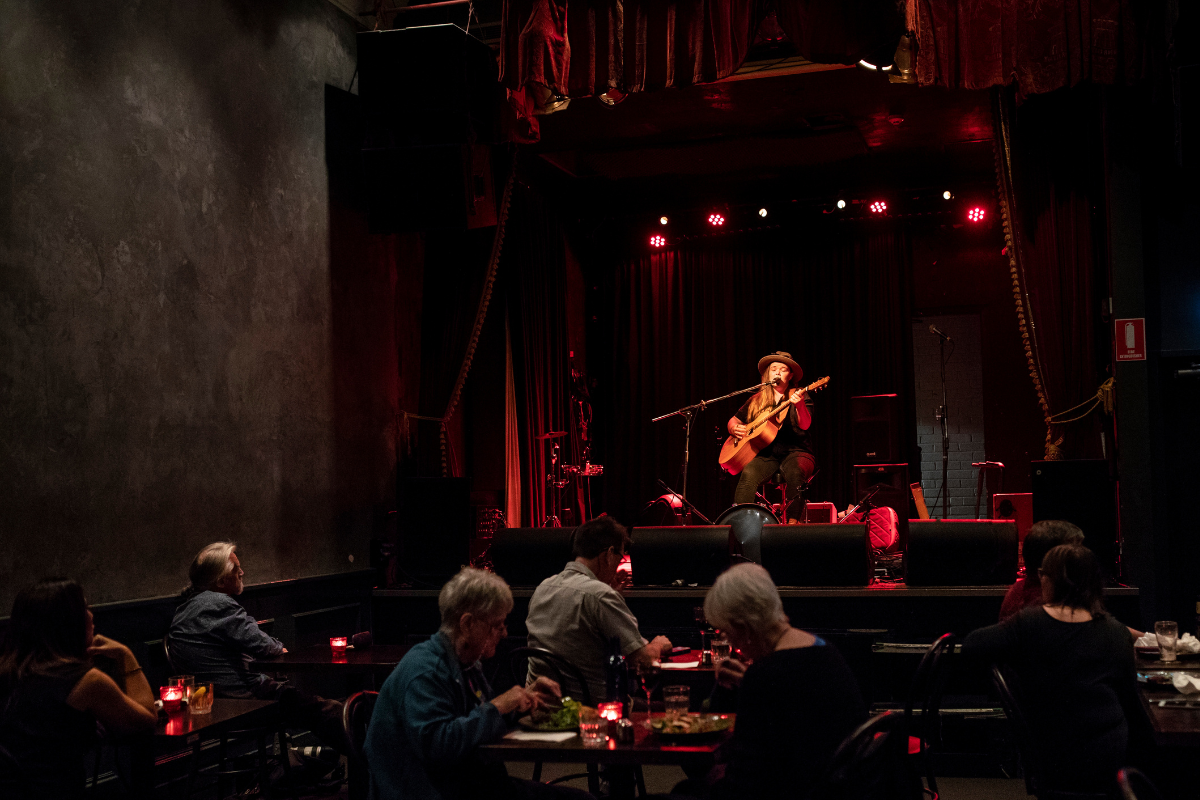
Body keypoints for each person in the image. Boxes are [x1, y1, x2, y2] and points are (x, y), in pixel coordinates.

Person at [364, 567, 589, 800]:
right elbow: (439, 747)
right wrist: (499, 706)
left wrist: (520, 703)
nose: (503, 634)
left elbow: (473, 722)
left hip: (471, 784)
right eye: (497, 625)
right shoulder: (425, 672)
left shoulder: (466, 663)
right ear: (467, 624)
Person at [963, 544, 1151, 795]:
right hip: (1106, 757)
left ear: (1051, 581)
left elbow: (972, 645)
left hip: (1048, 752)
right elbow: (1129, 697)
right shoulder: (1114, 632)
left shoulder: (1029, 623)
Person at [690, 564, 866, 800]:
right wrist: (748, 684)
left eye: (727, 632)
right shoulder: (825, 650)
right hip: (843, 787)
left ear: (745, 629)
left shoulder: (764, 676)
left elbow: (746, 782)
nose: (731, 643)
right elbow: (798, 707)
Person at [169, 542, 347, 751]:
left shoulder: (183, 609)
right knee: (331, 711)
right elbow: (266, 647)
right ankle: (371, 764)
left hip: (207, 705)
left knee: (315, 707)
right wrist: (280, 647)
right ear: (221, 579)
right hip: (242, 703)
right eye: (237, 569)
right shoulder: (218, 604)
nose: (242, 572)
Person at [0, 579, 157, 799]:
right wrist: (126, 656)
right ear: (70, 621)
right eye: (85, 608)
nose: (92, 615)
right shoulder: (85, 680)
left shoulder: (8, 670)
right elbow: (146, 718)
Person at [524, 516, 672, 702]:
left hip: (540, 706)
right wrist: (659, 644)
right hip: (589, 710)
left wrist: (609, 591)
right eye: (620, 558)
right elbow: (643, 661)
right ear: (609, 554)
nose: (618, 565)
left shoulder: (543, 587)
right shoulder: (600, 595)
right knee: (673, 704)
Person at [727, 351, 815, 523]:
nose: (777, 372)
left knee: (795, 473)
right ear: (768, 374)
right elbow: (733, 420)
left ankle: (792, 527)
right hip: (767, 454)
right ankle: (742, 524)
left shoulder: (799, 395)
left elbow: (805, 425)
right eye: (773, 369)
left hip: (797, 451)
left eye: (782, 369)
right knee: (749, 472)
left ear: (790, 376)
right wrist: (734, 428)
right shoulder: (756, 400)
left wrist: (800, 406)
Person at [999, 520, 1085, 621]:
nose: (1083, 557)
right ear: (1051, 559)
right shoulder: (1042, 601)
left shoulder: (1020, 589)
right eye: (1074, 553)